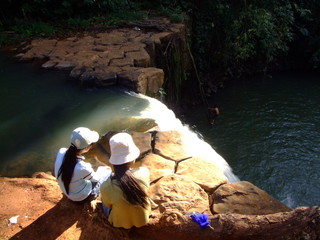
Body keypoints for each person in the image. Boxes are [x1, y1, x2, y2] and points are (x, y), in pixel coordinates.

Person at [100, 132, 154, 229]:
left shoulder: (106, 186)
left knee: (104, 198)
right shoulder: (144, 173)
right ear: (132, 158)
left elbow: (108, 204)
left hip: (119, 222)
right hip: (142, 219)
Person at [54, 127, 112, 202]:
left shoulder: (61, 151)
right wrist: (102, 169)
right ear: (87, 147)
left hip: (67, 192)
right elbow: (96, 179)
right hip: (80, 198)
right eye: (92, 144)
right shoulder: (82, 167)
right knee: (108, 171)